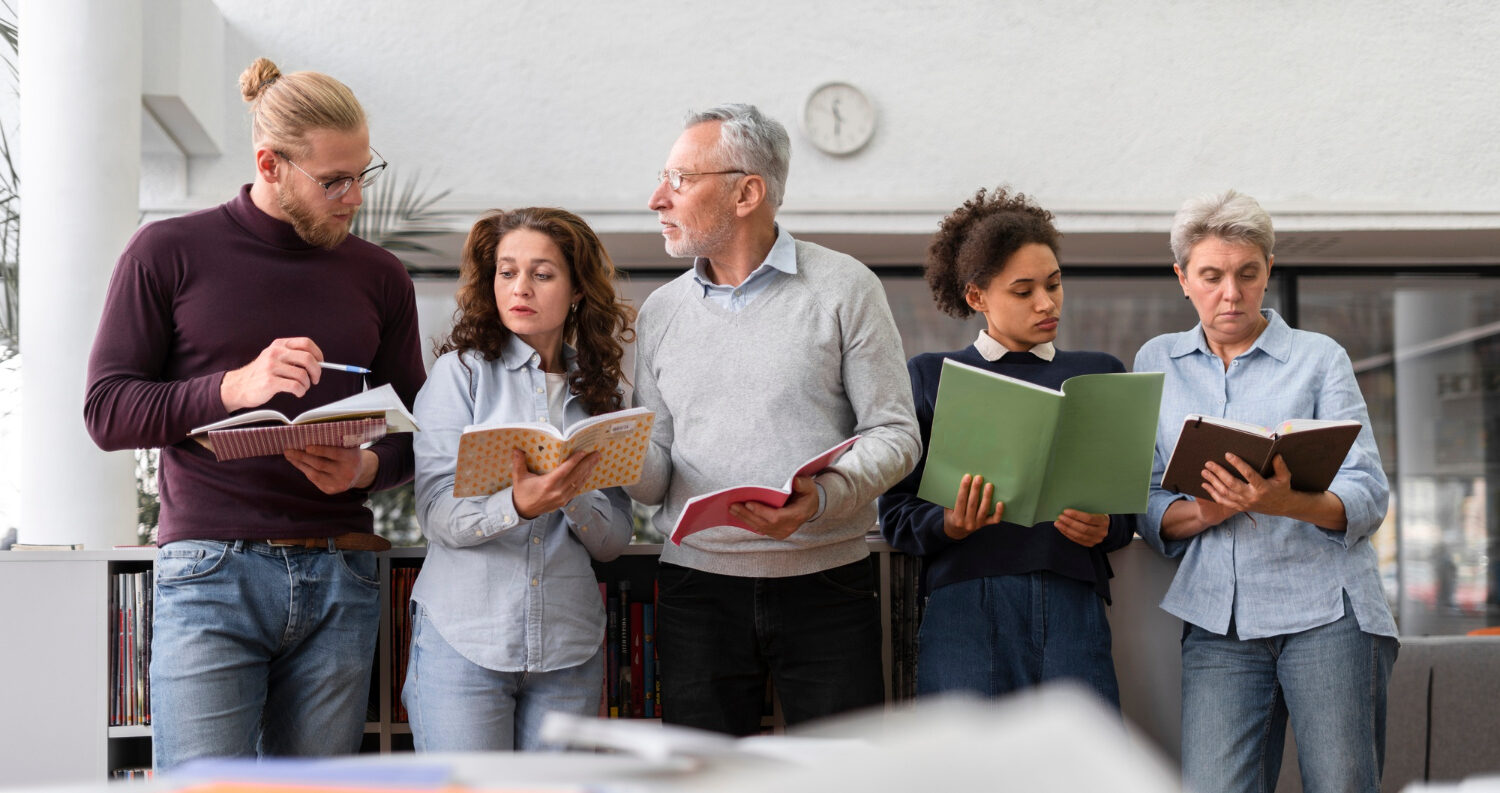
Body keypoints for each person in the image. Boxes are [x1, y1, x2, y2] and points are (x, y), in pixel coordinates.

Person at [83, 58, 425, 770]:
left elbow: (418, 433)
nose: (354, 195)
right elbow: (108, 411)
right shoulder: (167, 253)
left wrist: (364, 466)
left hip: (342, 574)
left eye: (364, 173)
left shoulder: (380, 276)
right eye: (334, 180)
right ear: (269, 164)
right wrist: (231, 388)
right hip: (211, 576)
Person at [627, 103, 921, 735]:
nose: (658, 198)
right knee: (699, 783)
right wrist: (606, 452)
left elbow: (897, 434)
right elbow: (654, 480)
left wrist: (822, 498)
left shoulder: (846, 287)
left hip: (828, 584)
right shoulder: (659, 312)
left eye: (680, 180)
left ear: (747, 192)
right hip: (695, 590)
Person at [1133, 190, 1396, 793]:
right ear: (1182, 278)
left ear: (1268, 271)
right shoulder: (1156, 362)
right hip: (1217, 626)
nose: (1232, 293)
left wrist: (1286, 502)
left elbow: (1367, 492)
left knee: (1341, 785)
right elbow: (1144, 500)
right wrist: (1205, 510)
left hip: (1328, 615)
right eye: (1212, 276)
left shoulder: (1319, 359)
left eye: (1248, 274)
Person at [878, 187, 1134, 705]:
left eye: (1055, 284)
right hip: (965, 607)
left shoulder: (1099, 374)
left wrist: (1107, 525)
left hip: (1071, 603)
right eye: (1024, 291)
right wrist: (950, 522)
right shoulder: (931, 376)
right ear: (977, 297)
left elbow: (1125, 510)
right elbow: (895, 515)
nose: (1047, 303)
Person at [404, 207, 635, 751]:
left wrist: (570, 497)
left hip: (568, 651)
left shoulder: (601, 395)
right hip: (464, 645)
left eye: (542, 273)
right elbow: (437, 514)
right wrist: (520, 505)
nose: (520, 288)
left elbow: (614, 541)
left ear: (577, 289)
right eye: (507, 272)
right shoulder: (458, 375)